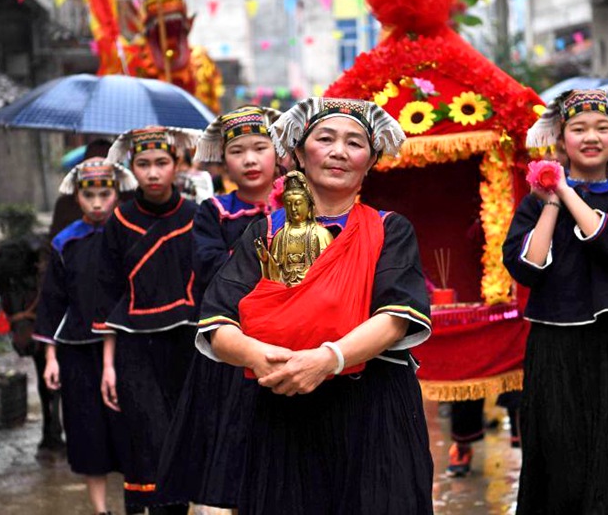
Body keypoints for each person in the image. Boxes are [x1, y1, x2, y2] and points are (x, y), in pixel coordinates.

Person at [195, 97, 434, 514]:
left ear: (371, 159)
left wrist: (329, 359)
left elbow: (397, 318)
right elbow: (218, 320)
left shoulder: (388, 230)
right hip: (283, 407)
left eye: (355, 143)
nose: (340, 151)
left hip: (374, 408)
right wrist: (258, 356)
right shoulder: (264, 232)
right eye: (325, 139)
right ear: (300, 154)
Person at [503, 89, 608, 514]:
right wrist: (550, 204)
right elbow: (526, 267)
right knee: (558, 448)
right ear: (562, 139)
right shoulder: (534, 202)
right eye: (578, 129)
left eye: (602, 128)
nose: (590, 137)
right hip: (553, 343)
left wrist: (565, 189)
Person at [157, 106, 281, 511]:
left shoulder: (302, 204)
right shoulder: (214, 212)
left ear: (277, 151)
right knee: (233, 447)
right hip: (233, 346)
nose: (249, 159)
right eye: (238, 150)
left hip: (294, 341)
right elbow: (211, 267)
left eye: (260, 147)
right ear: (222, 159)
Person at [94, 125, 199, 515]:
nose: (153, 173)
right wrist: (108, 366)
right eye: (143, 164)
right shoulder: (119, 221)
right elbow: (106, 294)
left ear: (177, 165)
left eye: (161, 163)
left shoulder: (195, 216)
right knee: (144, 434)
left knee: (181, 435)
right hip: (134, 346)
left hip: (186, 343)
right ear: (131, 168)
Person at [34, 159, 137, 515]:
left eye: (104, 194)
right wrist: (49, 357)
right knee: (86, 430)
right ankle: (100, 510)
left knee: (130, 430)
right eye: (88, 194)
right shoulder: (66, 242)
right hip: (77, 349)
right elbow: (51, 301)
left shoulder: (130, 235)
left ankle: (134, 504)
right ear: (77, 197)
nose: (97, 202)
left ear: (117, 194)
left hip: (127, 346)